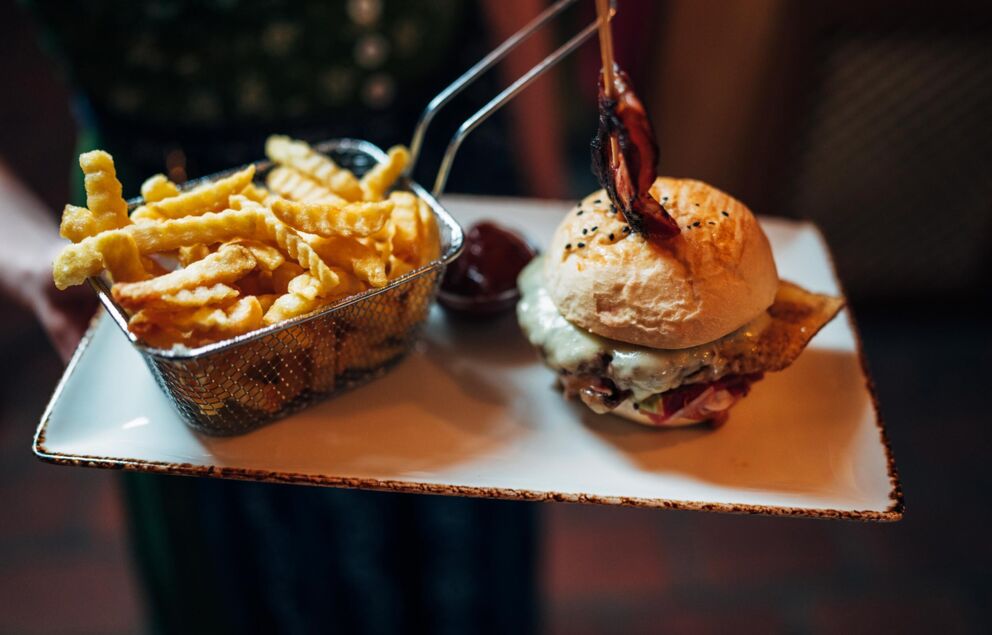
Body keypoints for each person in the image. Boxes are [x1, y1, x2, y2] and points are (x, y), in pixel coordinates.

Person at [2, 1, 571, 632]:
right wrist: (26, 260)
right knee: (254, 582)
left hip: (435, 168)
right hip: (171, 190)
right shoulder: (197, 254)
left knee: (465, 560)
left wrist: (549, 197)